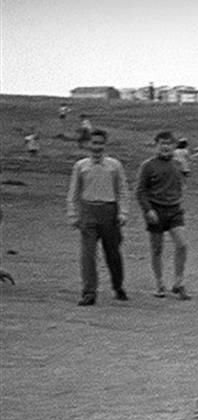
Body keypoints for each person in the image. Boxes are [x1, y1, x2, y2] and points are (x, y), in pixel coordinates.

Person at [66, 128, 129, 306]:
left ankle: (118, 286)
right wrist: (73, 214)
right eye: (94, 143)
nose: (97, 147)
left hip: (109, 211)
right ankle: (89, 292)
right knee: (88, 254)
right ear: (88, 144)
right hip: (88, 211)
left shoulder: (114, 166)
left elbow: (123, 190)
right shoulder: (81, 166)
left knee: (113, 253)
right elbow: (73, 192)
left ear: (105, 145)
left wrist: (123, 212)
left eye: (100, 143)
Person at [137, 131, 191, 300]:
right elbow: (140, 191)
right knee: (157, 248)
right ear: (156, 145)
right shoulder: (148, 166)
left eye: (169, 143)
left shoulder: (178, 163)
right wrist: (148, 210)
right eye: (162, 143)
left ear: (174, 146)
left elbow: (182, 182)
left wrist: (178, 196)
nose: (165, 147)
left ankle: (178, 282)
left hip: (174, 210)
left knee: (182, 245)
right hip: (156, 210)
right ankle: (159, 283)